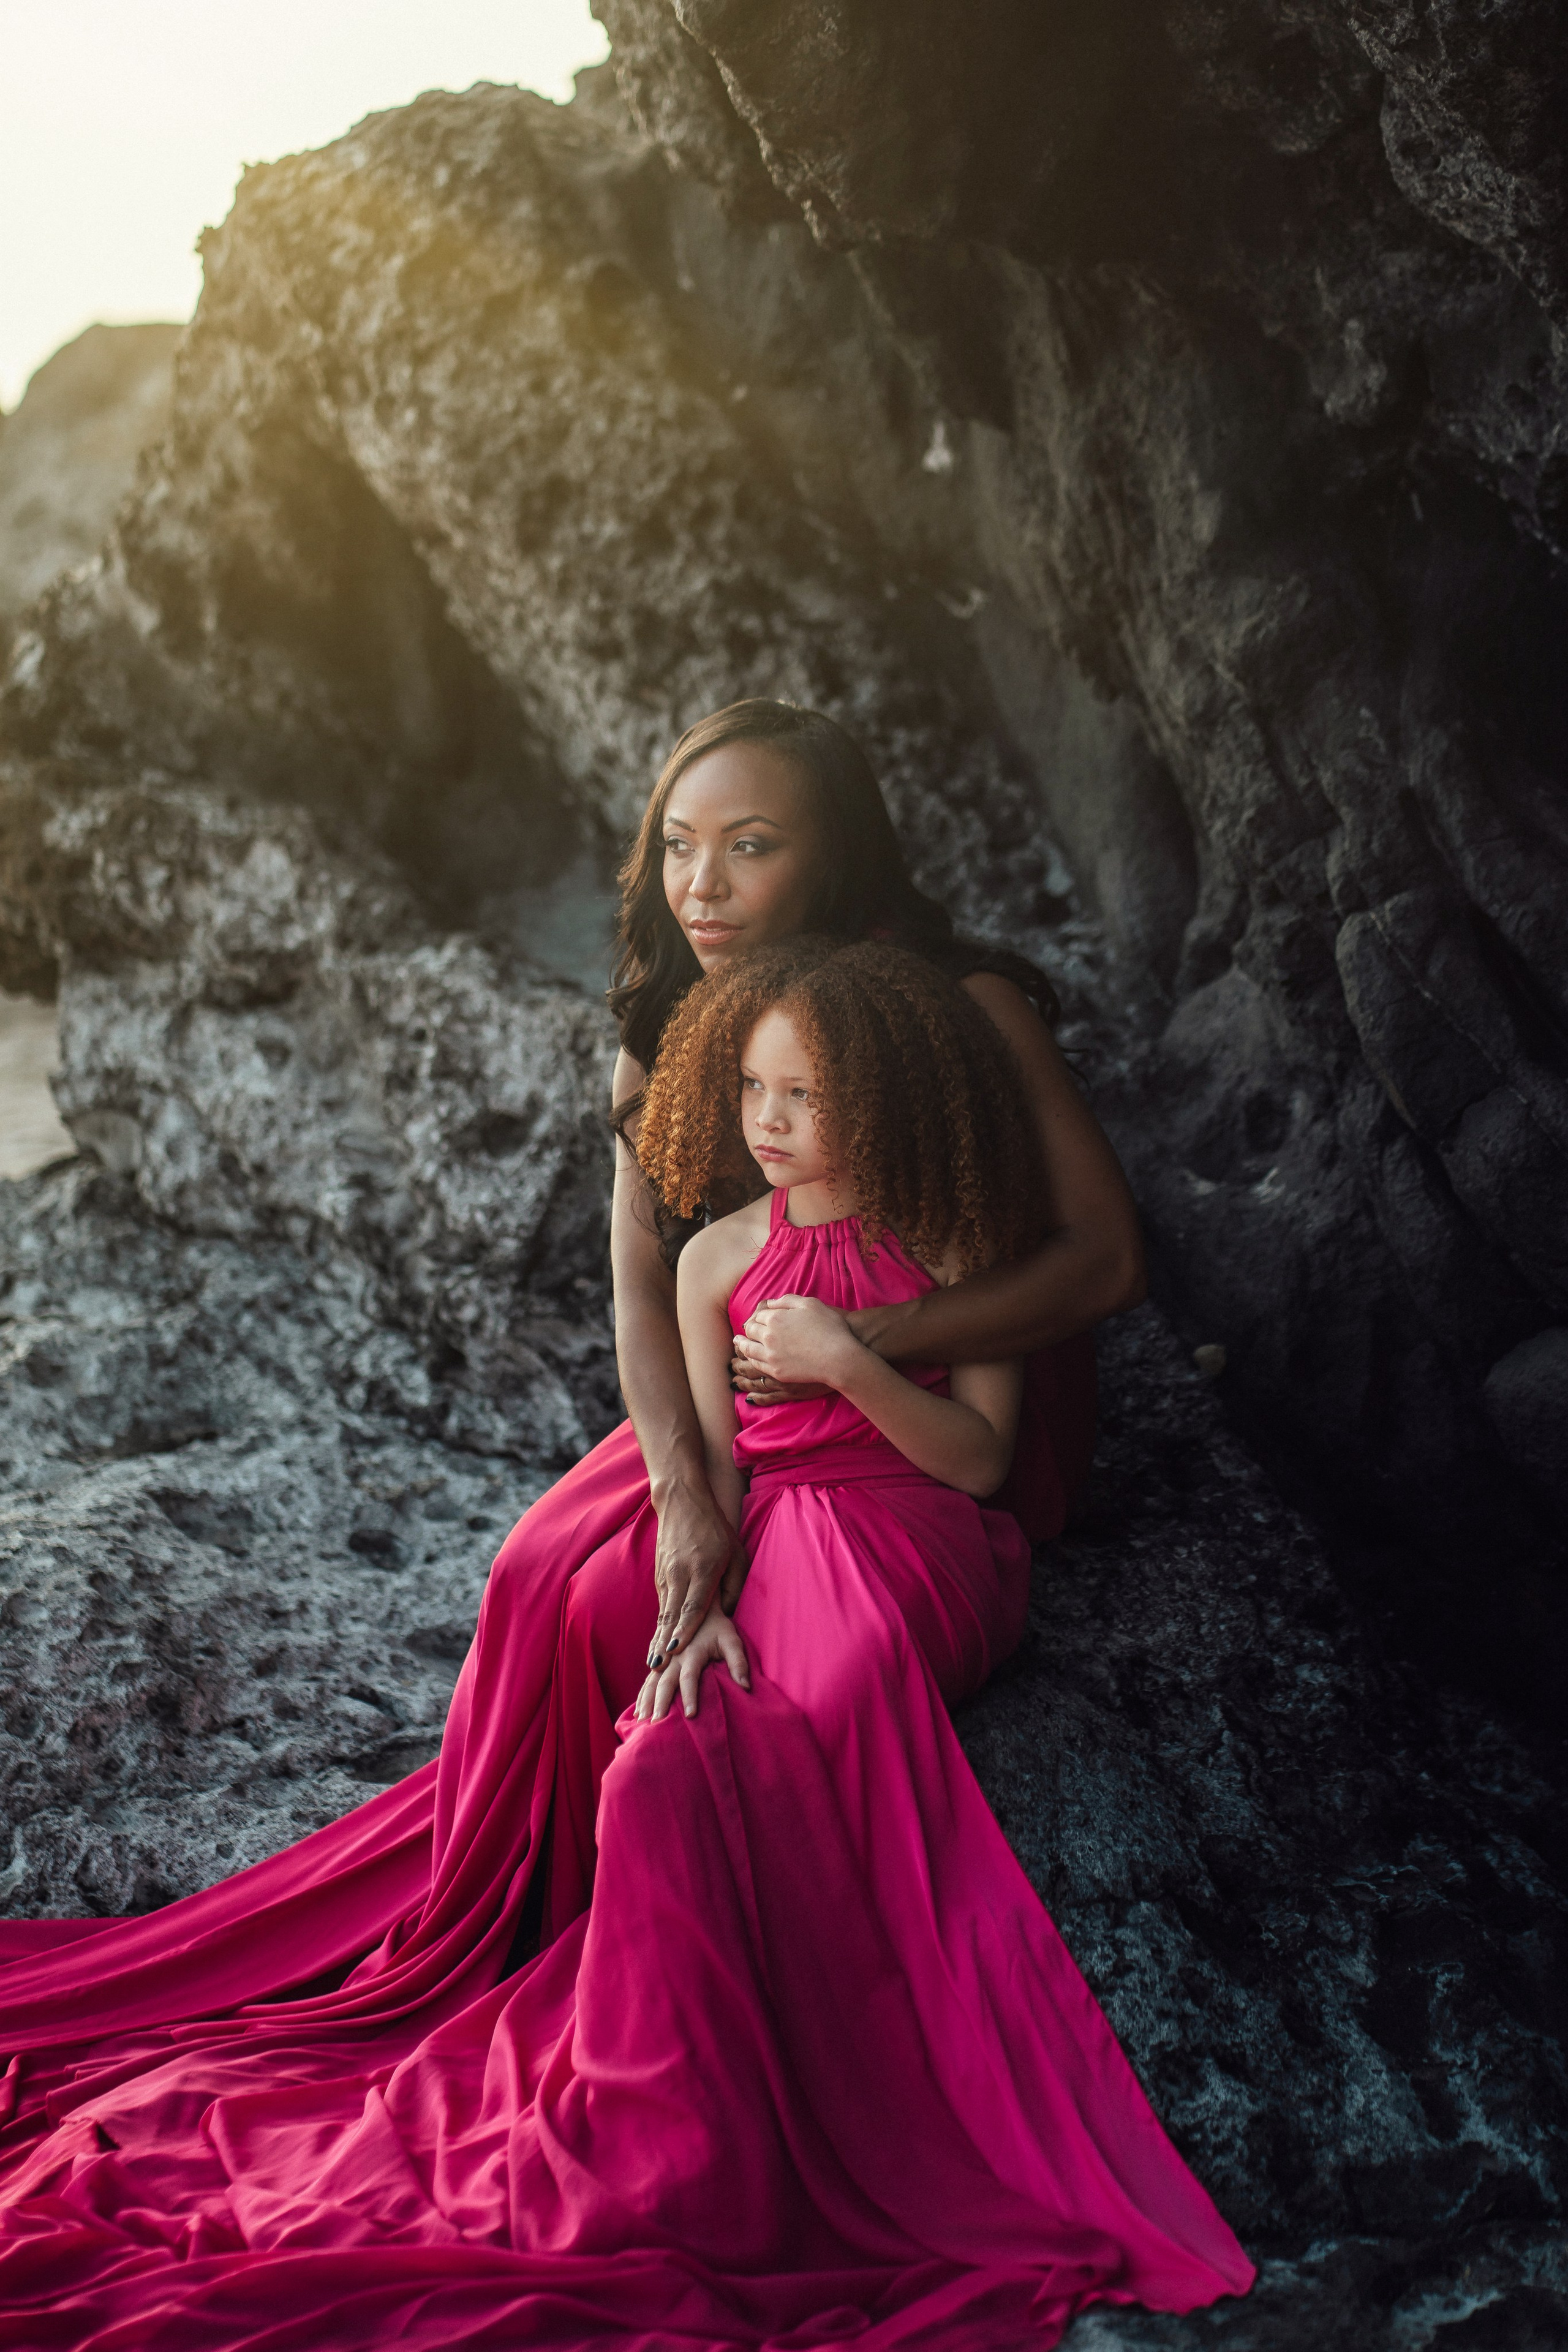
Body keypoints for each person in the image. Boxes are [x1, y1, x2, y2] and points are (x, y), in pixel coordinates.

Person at [0, 938, 1252, 2346]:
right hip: (776, 1530)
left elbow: (975, 1465)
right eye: (756, 1094)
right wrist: (697, 1612)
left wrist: (849, 1359)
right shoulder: (717, 1253)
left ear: (892, 1103)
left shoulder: (951, 1247)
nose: (767, 1125)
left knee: (823, 1701)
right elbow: (717, 1476)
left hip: (917, 1536)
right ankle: (650, 2112)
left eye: (805, 1098)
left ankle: (795, 2078)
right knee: (660, 1758)